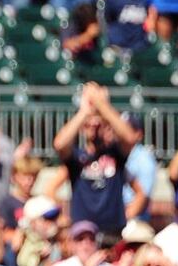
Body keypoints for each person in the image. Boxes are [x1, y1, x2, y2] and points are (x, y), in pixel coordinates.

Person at [52, 82, 146, 236]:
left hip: (113, 232)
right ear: (82, 127)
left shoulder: (116, 154)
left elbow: (130, 138)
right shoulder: (76, 156)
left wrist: (103, 106)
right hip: (83, 233)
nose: (94, 126)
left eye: (99, 124)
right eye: (89, 125)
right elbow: (59, 144)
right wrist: (84, 112)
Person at [121, 113, 157, 223]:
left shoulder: (145, 159)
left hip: (135, 221)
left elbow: (143, 196)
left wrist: (121, 221)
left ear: (138, 134)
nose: (122, 132)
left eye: (127, 129)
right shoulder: (115, 153)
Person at [0, 157, 45, 232]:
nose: (30, 182)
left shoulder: (40, 201)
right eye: (25, 177)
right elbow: (3, 233)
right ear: (14, 177)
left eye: (33, 177)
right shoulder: (7, 203)